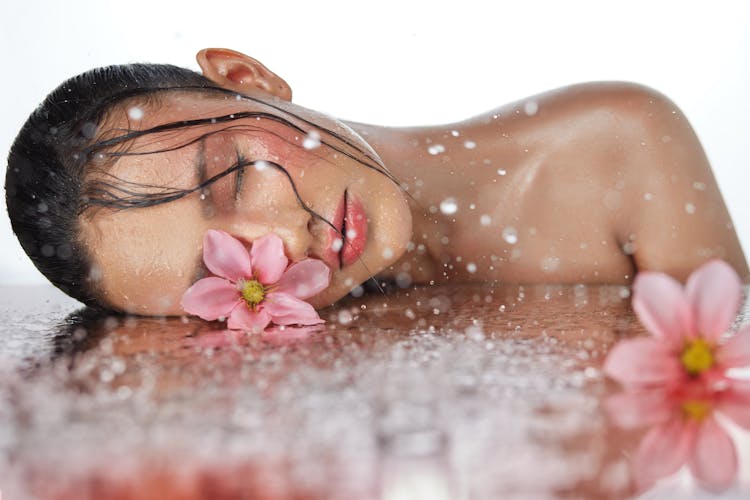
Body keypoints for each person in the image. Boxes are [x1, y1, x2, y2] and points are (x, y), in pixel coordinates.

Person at [6, 48, 748, 316]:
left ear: (247, 78)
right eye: (216, 274)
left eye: (233, 176)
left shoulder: (616, 147)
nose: (281, 248)